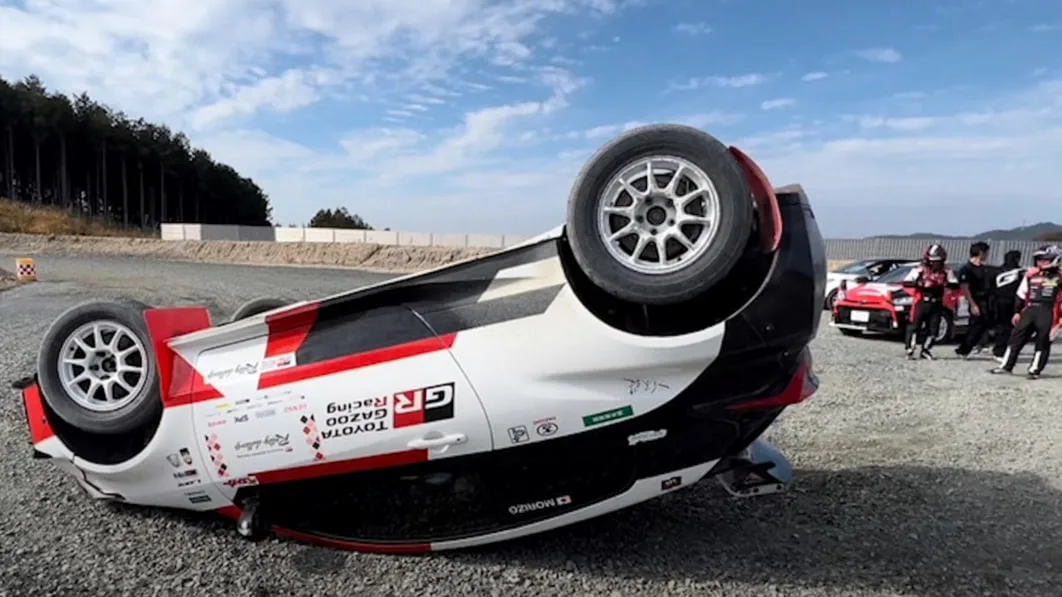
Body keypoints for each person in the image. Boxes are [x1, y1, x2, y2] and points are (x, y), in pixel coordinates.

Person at [990, 245, 1062, 378]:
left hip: (1049, 311)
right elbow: (1021, 294)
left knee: (1042, 341)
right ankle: (1006, 366)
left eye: (1044, 259)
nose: (1041, 262)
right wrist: (1017, 312)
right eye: (1039, 259)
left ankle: (1035, 370)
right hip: (1030, 309)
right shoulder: (1031, 275)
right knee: (1016, 338)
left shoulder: (1060, 276)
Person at [902, 243, 960, 360]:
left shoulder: (946, 271)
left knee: (934, 329)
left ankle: (926, 349)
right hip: (922, 302)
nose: (935, 264)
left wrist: (945, 284)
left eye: (938, 261)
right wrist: (919, 283)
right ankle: (910, 348)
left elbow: (955, 284)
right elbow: (906, 282)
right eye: (933, 261)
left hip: (937, 303)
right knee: (914, 326)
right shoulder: (920, 269)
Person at [954, 241, 993, 359]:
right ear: (981, 253)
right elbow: (965, 288)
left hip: (986, 300)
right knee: (976, 326)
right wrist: (972, 304)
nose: (987, 255)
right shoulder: (967, 269)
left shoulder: (983, 268)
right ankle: (963, 349)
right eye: (986, 252)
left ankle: (974, 346)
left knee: (983, 325)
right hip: (975, 299)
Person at [988, 250, 1025, 361]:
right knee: (1008, 328)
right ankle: (1000, 351)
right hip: (1012, 303)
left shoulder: (997, 271)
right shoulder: (1019, 272)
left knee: (1002, 327)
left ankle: (1001, 350)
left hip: (997, 302)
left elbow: (991, 287)